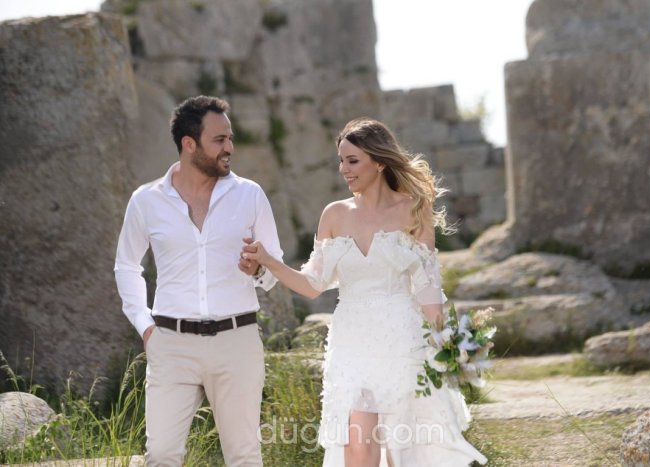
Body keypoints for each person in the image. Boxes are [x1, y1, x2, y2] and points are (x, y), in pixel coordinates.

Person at [241, 118, 487, 466]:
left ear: (380, 162)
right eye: (341, 161)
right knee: (358, 445)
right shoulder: (334, 214)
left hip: (402, 339)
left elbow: (427, 287)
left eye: (352, 160)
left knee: (402, 447)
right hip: (351, 343)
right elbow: (313, 284)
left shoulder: (413, 210)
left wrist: (447, 344)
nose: (344, 169)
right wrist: (268, 261)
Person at [114, 95, 283, 466]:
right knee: (161, 455)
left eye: (230, 138)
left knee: (244, 455)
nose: (230, 148)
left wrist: (258, 269)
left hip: (237, 341)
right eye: (219, 140)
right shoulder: (146, 200)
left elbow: (275, 268)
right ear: (189, 144)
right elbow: (126, 265)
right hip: (170, 343)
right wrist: (144, 325)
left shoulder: (249, 195)